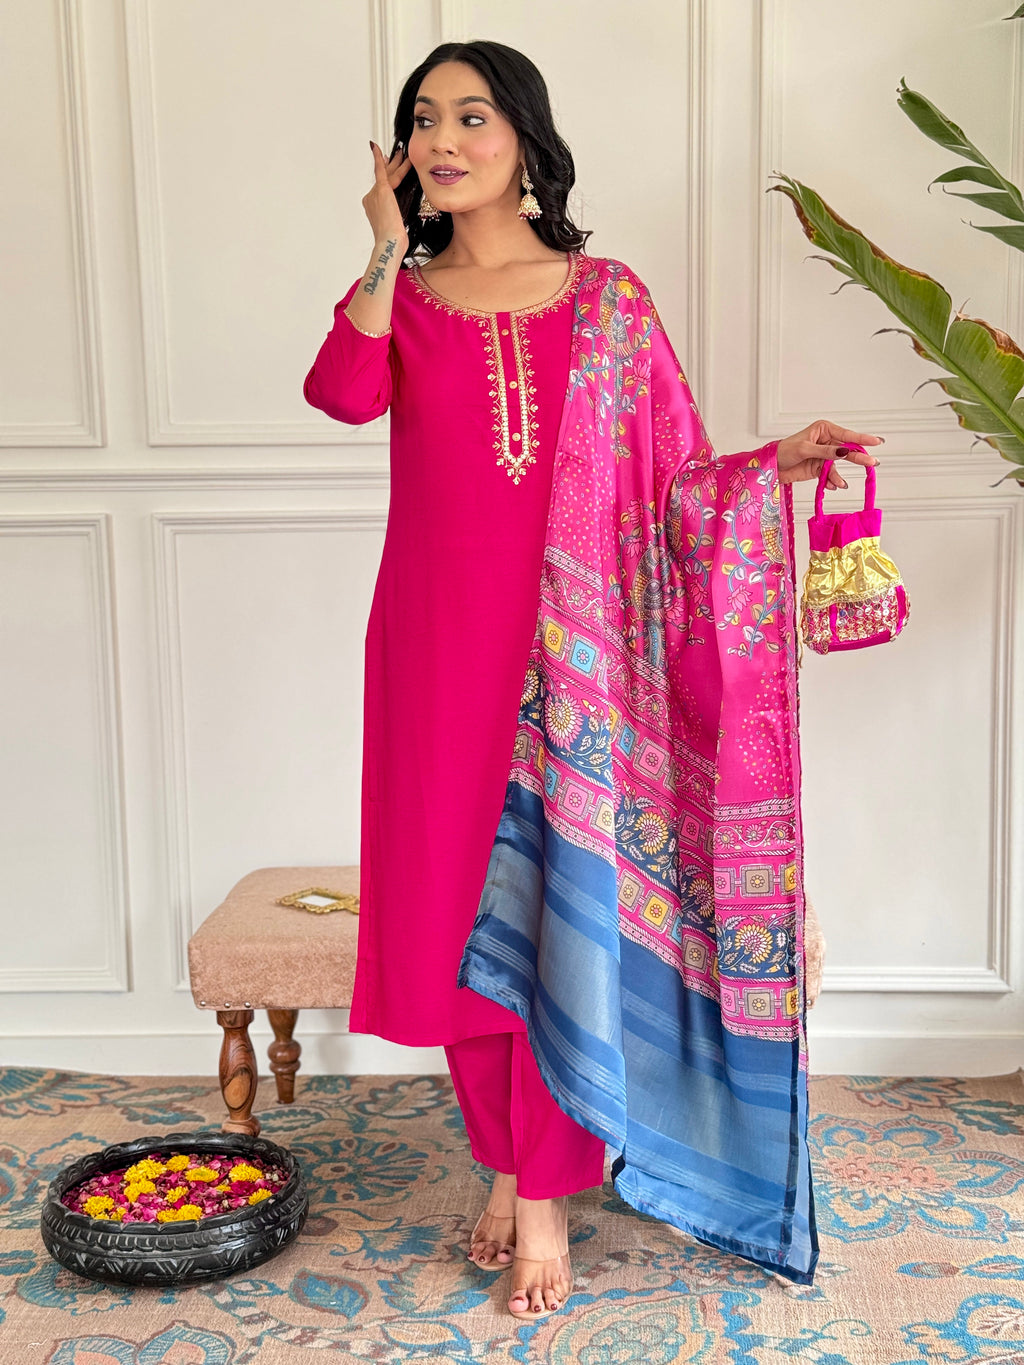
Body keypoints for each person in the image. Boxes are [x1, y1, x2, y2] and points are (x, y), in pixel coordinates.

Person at [303, 40, 881, 1321]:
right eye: (420, 121)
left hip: (576, 653)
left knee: (558, 898)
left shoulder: (606, 298)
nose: (442, 140)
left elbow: (672, 480)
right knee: (457, 917)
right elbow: (341, 393)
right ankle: (513, 1164)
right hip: (434, 649)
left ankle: (543, 1194)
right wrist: (385, 247)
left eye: (470, 116)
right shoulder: (405, 295)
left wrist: (775, 462)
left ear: (524, 137)